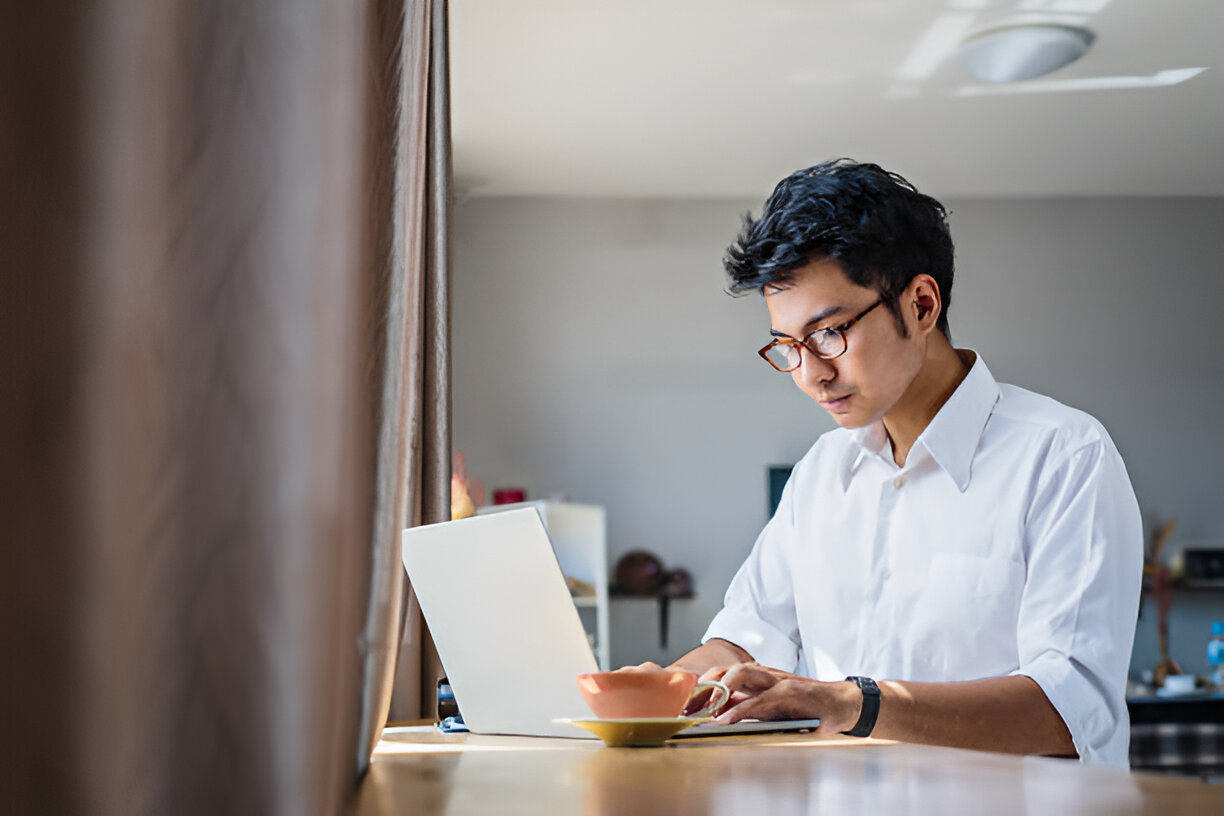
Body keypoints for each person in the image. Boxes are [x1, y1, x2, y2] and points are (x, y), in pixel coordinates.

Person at [655, 159, 1143, 768]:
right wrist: (653, 689)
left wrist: (851, 704)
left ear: (920, 304)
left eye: (829, 333)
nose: (810, 373)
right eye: (787, 347)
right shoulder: (821, 474)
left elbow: (1071, 712)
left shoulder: (1064, 456)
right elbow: (745, 638)